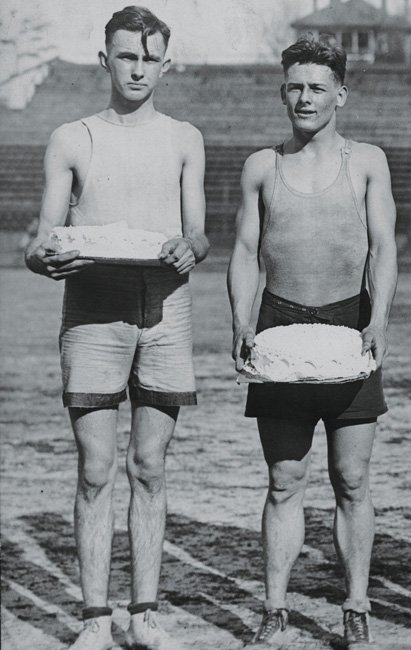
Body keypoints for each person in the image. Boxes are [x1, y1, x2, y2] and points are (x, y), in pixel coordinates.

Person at [22, 6, 209, 650]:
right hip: (93, 313)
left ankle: (145, 616)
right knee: (96, 469)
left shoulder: (185, 137)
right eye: (126, 55)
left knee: (150, 466)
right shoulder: (71, 137)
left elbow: (198, 232)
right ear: (106, 60)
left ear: (165, 62)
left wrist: (191, 248)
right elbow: (41, 241)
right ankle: (96, 619)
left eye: (149, 56)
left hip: (165, 311)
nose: (137, 68)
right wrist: (45, 258)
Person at [226, 34, 397, 649]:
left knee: (352, 480)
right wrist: (242, 320)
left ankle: (355, 605)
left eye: (317, 87)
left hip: (350, 328)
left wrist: (377, 321)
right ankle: (275, 609)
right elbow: (245, 251)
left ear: (340, 95)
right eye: (295, 87)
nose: (305, 97)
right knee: (284, 479)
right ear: (283, 92)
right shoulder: (261, 166)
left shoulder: (368, 161)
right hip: (280, 329)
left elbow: (384, 249)